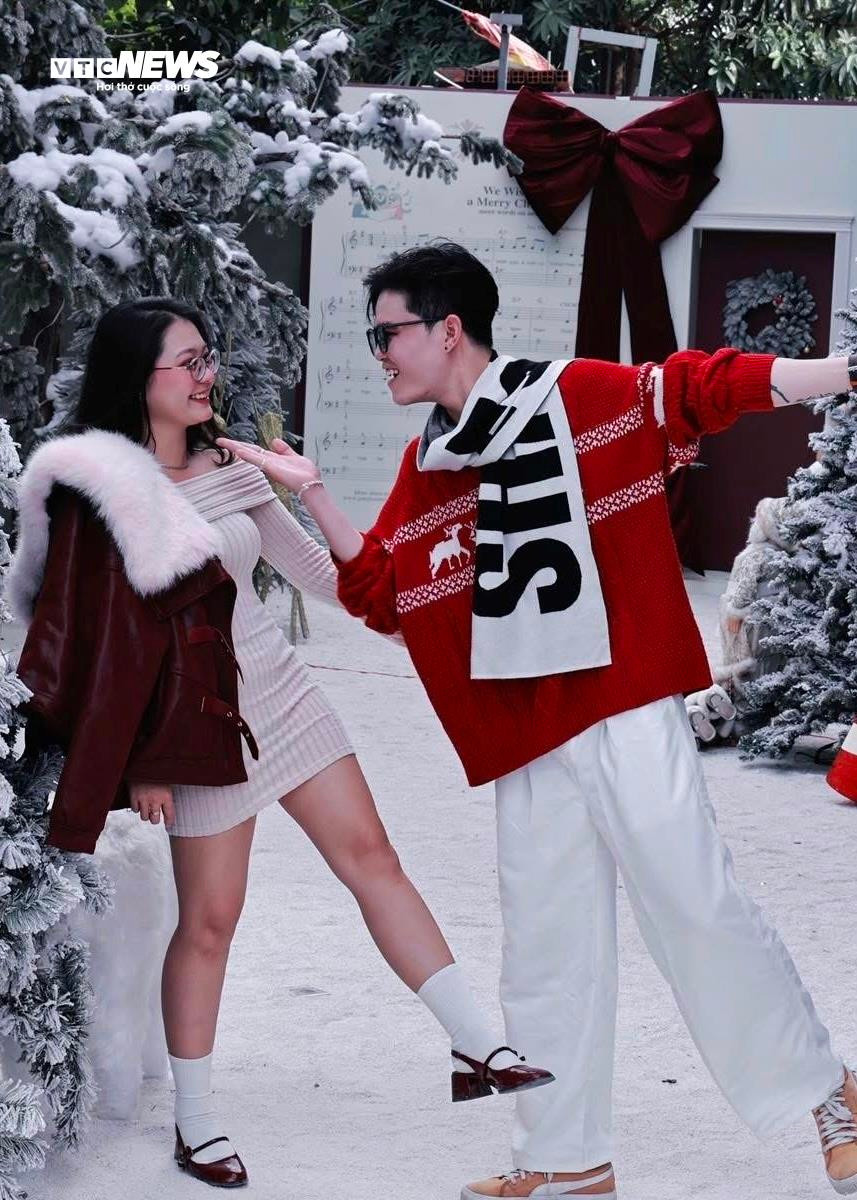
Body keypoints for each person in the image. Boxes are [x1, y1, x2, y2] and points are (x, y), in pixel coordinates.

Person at [220, 241, 857, 1199]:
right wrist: (309, 491)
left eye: (387, 333)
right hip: (525, 728)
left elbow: (700, 387)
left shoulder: (575, 394)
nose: (377, 354)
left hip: (619, 697)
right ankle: (566, 1159)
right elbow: (385, 594)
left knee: (691, 901)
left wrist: (842, 371)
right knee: (546, 943)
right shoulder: (430, 461)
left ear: (447, 329)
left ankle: (825, 1090)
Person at [8, 297, 554, 1191]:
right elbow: (106, 647)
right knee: (211, 921)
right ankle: (196, 1123)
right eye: (187, 362)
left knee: (373, 858)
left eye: (207, 357)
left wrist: (325, 503)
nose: (206, 375)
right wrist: (145, 763)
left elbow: (328, 580)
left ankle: (477, 1044)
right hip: (195, 728)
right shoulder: (103, 492)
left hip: (283, 695)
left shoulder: (232, 469)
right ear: (137, 376)